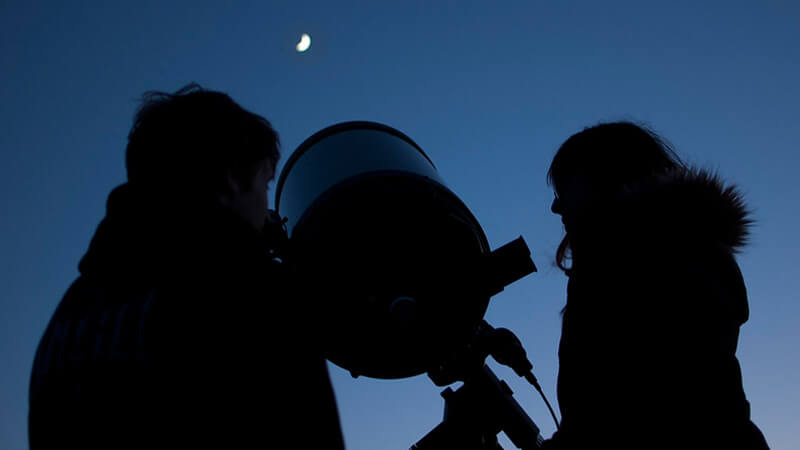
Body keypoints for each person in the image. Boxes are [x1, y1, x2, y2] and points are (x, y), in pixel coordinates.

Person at [28, 84, 345, 449]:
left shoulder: (70, 315)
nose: (266, 211)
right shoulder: (252, 290)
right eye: (263, 184)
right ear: (232, 176)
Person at [543, 122, 769, 449]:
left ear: (604, 178)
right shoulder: (665, 258)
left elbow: (621, 418)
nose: (556, 206)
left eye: (565, 186)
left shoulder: (638, 267)